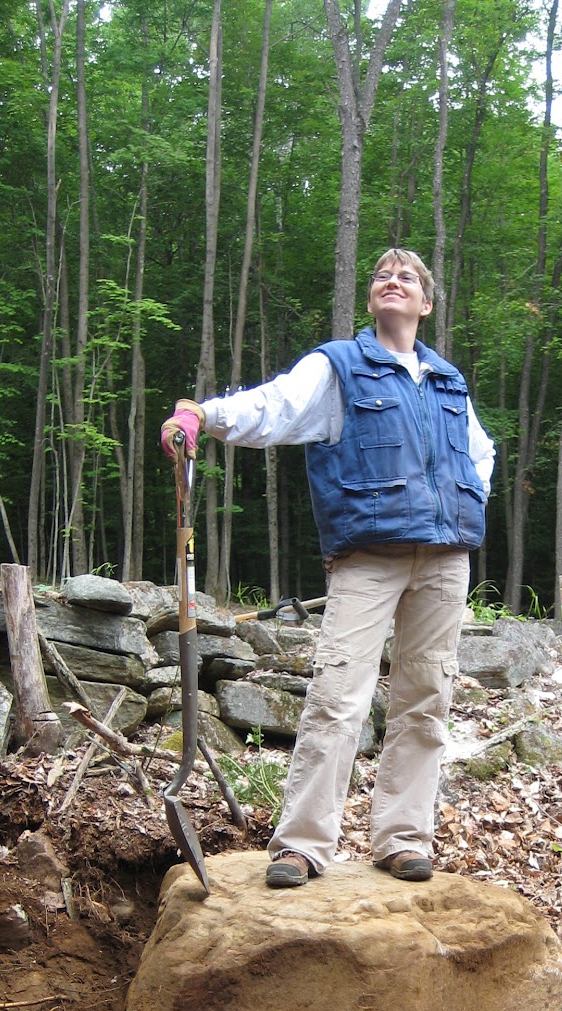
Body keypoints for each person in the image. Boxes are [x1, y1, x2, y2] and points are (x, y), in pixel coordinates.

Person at [161, 247, 494, 889]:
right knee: (338, 696)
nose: (392, 282)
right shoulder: (339, 366)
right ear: (371, 299)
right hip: (368, 555)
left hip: (446, 558)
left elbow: (481, 452)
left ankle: (403, 837)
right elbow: (274, 406)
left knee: (426, 698)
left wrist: (469, 498)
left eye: (407, 279)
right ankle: (304, 844)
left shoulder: (448, 381)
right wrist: (203, 414)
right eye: (382, 276)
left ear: (426, 304)